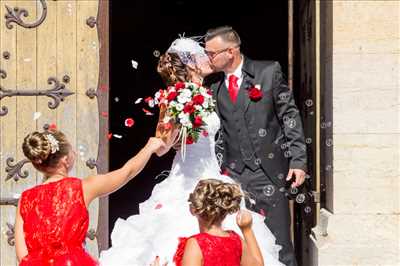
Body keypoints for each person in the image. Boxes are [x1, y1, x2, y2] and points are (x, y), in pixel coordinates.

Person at [99, 37, 283, 266]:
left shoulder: (205, 93)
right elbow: (162, 147)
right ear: (190, 64)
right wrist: (175, 129)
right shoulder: (174, 97)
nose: (207, 59)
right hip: (186, 174)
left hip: (212, 171)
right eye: (200, 55)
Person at [204, 26, 308, 266]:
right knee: (242, 247)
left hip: (270, 172)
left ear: (231, 51)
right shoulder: (214, 88)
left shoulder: (268, 72)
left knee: (281, 245)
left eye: (212, 53)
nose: (208, 58)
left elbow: (289, 116)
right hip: (234, 178)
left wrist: (298, 160)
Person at [15, 129, 166, 265]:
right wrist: (149, 147)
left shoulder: (25, 199)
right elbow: (127, 172)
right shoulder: (80, 188)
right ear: (65, 160)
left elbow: (22, 255)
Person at [173, 179, 264, 266]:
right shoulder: (235, 240)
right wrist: (246, 229)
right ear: (225, 211)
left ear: (193, 209)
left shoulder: (196, 244)